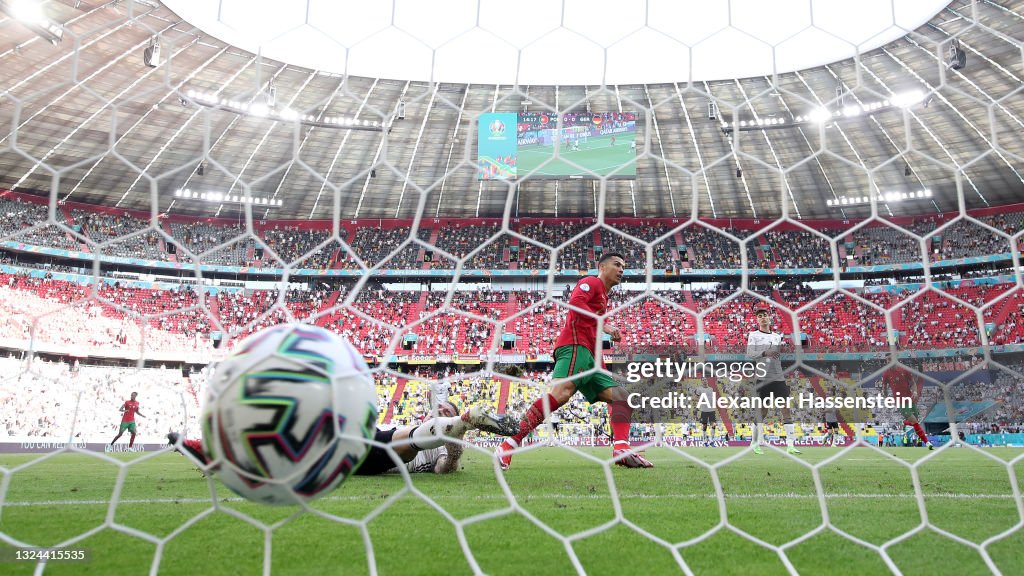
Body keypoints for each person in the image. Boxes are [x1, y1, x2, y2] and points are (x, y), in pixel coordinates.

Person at [496, 253, 653, 469]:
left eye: (623, 267)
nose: (621, 270)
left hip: (591, 356)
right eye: (617, 265)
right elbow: (575, 304)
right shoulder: (591, 282)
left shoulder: (604, 298)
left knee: (622, 398)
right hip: (575, 346)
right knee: (560, 395)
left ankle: (622, 449)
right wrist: (605, 325)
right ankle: (508, 444)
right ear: (602, 267)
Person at [168, 403, 516, 476]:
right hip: (379, 448)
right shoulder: (421, 428)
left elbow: (445, 466)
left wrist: (455, 445)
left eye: (446, 410)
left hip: (385, 452)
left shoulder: (442, 447)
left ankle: (217, 453)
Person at [746, 307, 801, 455]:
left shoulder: (777, 336)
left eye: (765, 315)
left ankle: (790, 445)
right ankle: (754, 442)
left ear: (769, 318)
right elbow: (750, 353)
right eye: (760, 316)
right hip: (763, 377)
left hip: (778, 377)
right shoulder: (754, 335)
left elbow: (776, 356)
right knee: (762, 412)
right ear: (757, 320)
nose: (763, 318)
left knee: (786, 408)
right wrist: (764, 352)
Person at [881, 365, 934, 450]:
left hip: (910, 399)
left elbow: (912, 382)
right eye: (887, 360)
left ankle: (904, 422)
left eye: (890, 359)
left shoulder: (904, 370)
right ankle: (927, 442)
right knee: (915, 422)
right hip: (900, 402)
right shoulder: (886, 374)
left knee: (916, 421)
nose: (888, 361)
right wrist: (885, 394)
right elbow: (884, 388)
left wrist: (915, 392)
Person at [694, 381, 717, 446]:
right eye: (703, 380)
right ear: (701, 382)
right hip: (704, 411)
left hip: (711, 410)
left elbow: (712, 398)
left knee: (714, 425)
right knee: (704, 427)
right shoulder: (699, 389)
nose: (705, 381)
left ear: (707, 381)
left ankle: (712, 441)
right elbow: (696, 398)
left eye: (706, 380)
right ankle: (705, 442)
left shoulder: (711, 389)